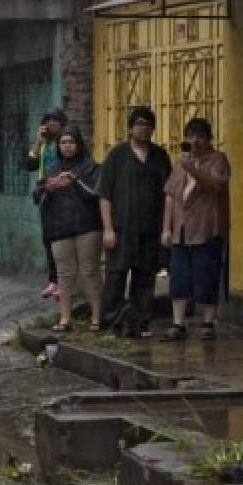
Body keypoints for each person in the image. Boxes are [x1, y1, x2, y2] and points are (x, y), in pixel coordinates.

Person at [97, 106, 172, 338]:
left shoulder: (160, 156)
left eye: (148, 124)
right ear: (130, 128)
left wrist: (166, 228)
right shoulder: (117, 156)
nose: (144, 128)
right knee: (116, 276)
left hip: (150, 229)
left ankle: (139, 323)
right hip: (122, 228)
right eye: (139, 123)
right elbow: (105, 195)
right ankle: (111, 323)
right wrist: (108, 229)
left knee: (145, 276)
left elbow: (169, 194)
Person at [160, 117, 231, 341]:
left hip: (207, 227)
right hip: (181, 228)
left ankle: (208, 322)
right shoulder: (180, 162)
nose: (195, 141)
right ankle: (178, 323)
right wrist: (166, 228)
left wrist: (193, 169)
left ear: (209, 139)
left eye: (200, 136)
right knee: (179, 276)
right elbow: (171, 196)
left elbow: (216, 185)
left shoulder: (218, 160)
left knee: (206, 274)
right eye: (191, 136)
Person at [36, 125, 103, 332]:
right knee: (64, 274)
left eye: (71, 142)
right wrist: (50, 187)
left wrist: (75, 181)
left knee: (89, 271)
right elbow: (37, 198)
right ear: (58, 146)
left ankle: (97, 318)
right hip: (59, 229)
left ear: (79, 144)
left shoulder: (91, 167)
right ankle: (65, 319)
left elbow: (95, 195)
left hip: (87, 227)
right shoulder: (51, 169)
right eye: (63, 142)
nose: (67, 146)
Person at [26, 107, 67, 300]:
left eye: (55, 120)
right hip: (45, 192)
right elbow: (30, 165)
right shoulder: (43, 144)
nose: (51, 124)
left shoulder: (65, 143)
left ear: (62, 123)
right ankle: (53, 280)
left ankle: (63, 281)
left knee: (62, 238)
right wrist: (38, 142)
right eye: (47, 120)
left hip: (62, 192)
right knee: (48, 238)